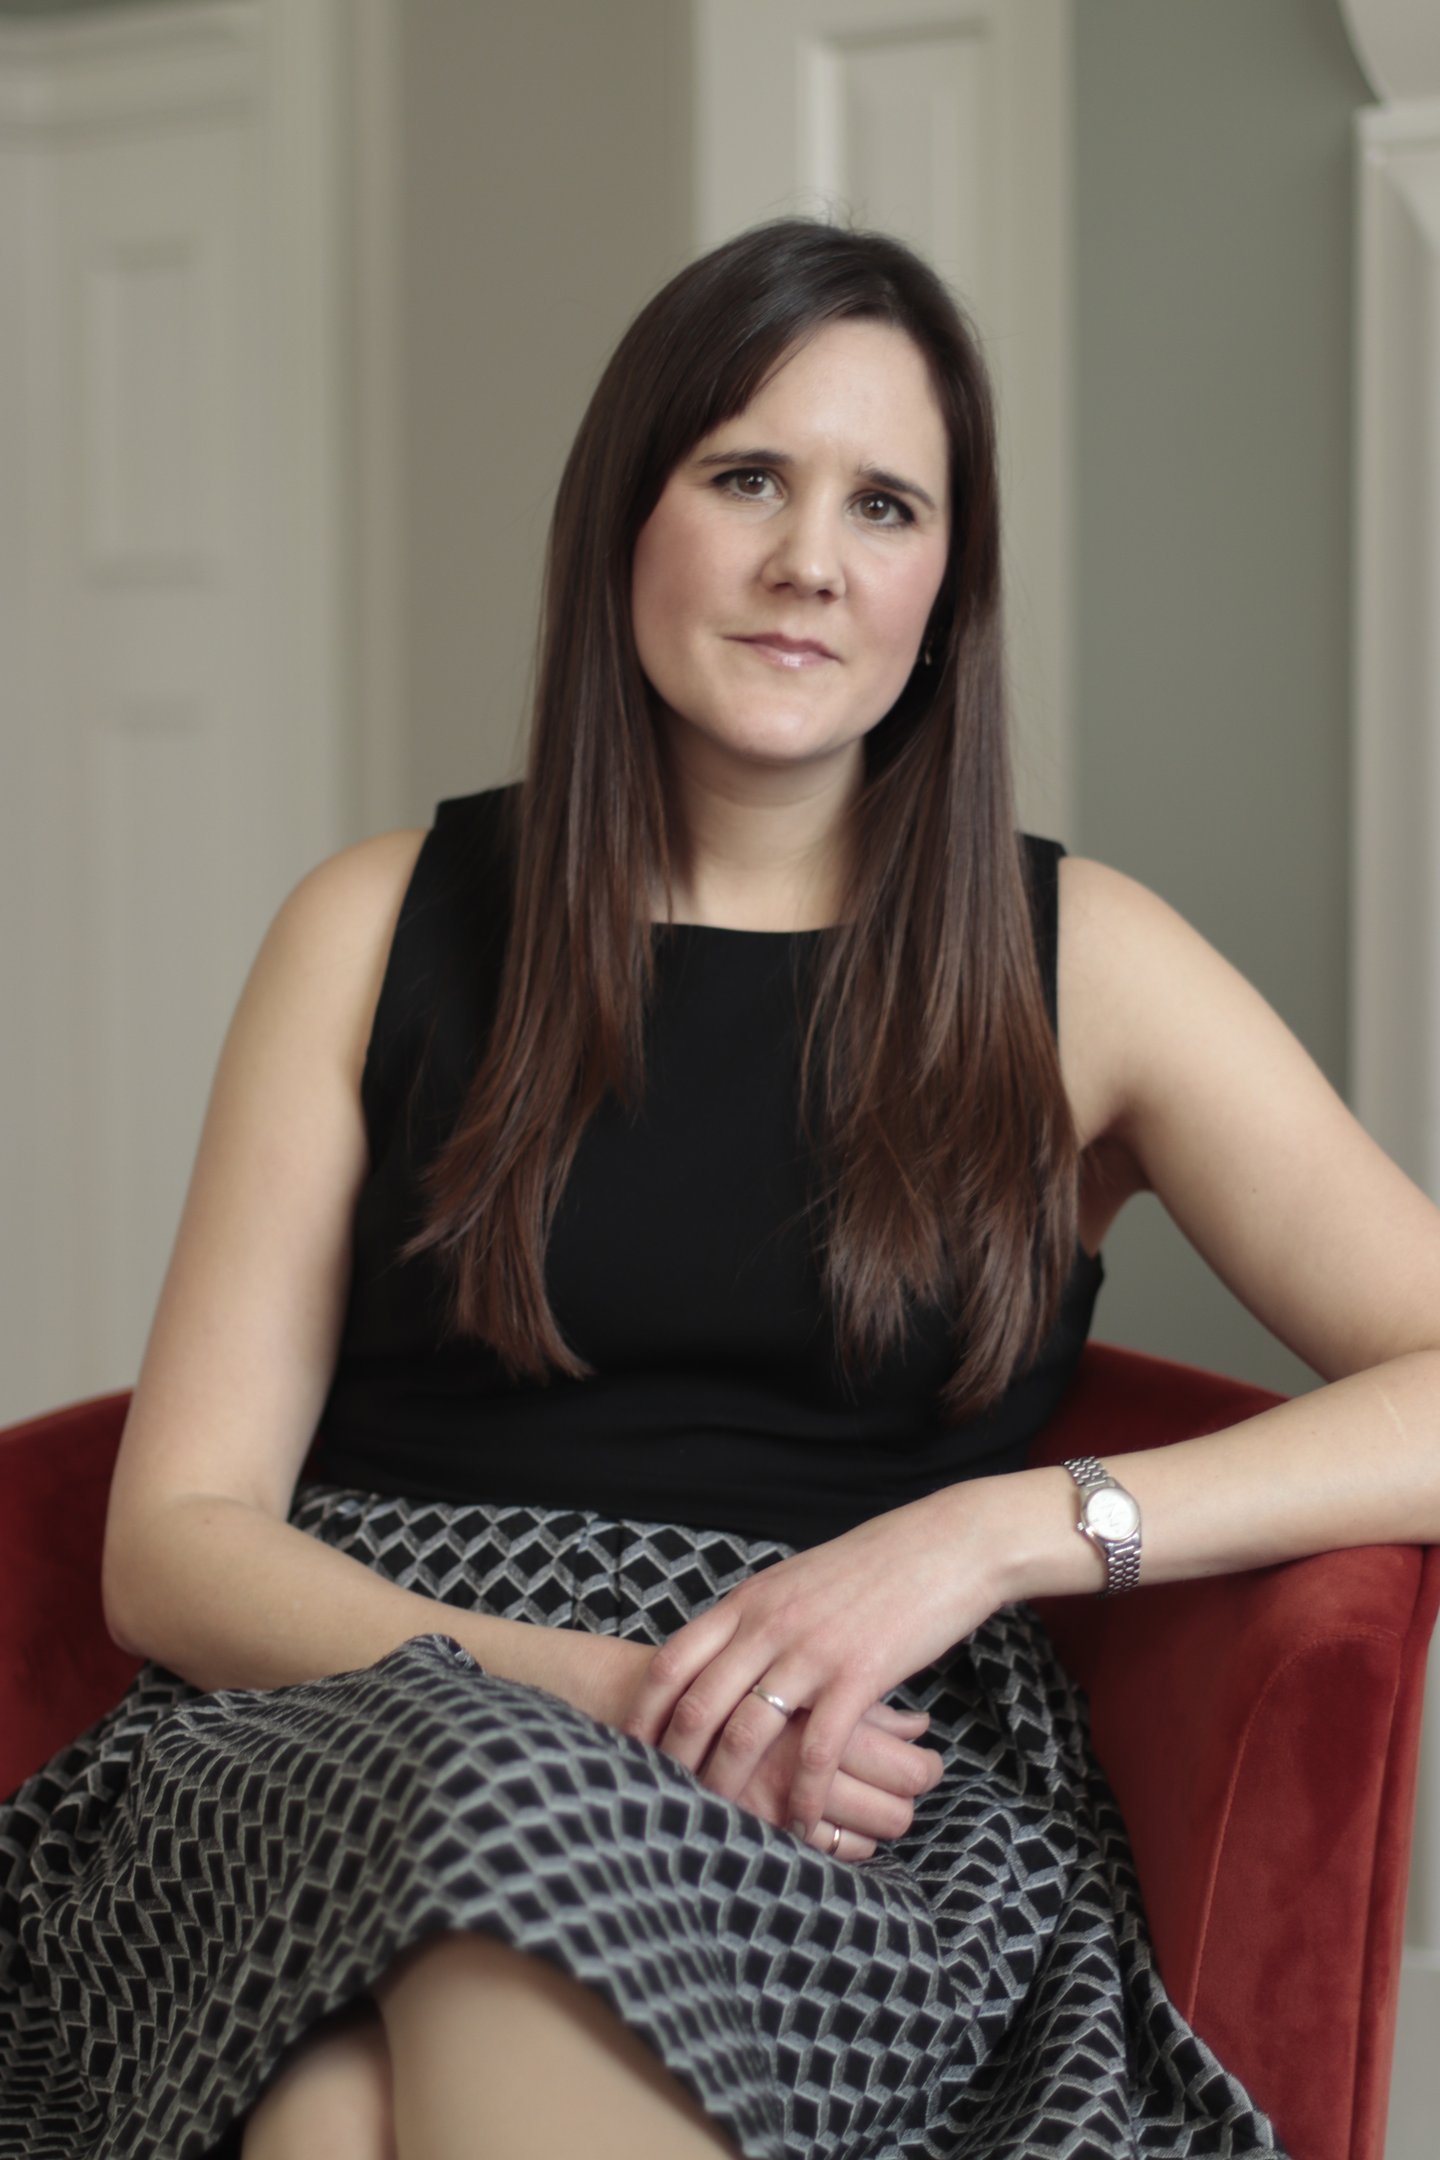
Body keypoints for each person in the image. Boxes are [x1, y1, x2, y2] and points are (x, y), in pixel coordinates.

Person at [3, 213, 1438, 2160]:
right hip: (347, 1723)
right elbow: (174, 1538)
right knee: (461, 1829)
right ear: (627, 519)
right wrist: (579, 1692)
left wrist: (1002, 1535)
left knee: (333, 2112)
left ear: (950, 585)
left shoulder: (1079, 962)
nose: (807, 565)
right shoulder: (372, 926)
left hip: (822, 1786)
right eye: (746, 475)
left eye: (887, 508)